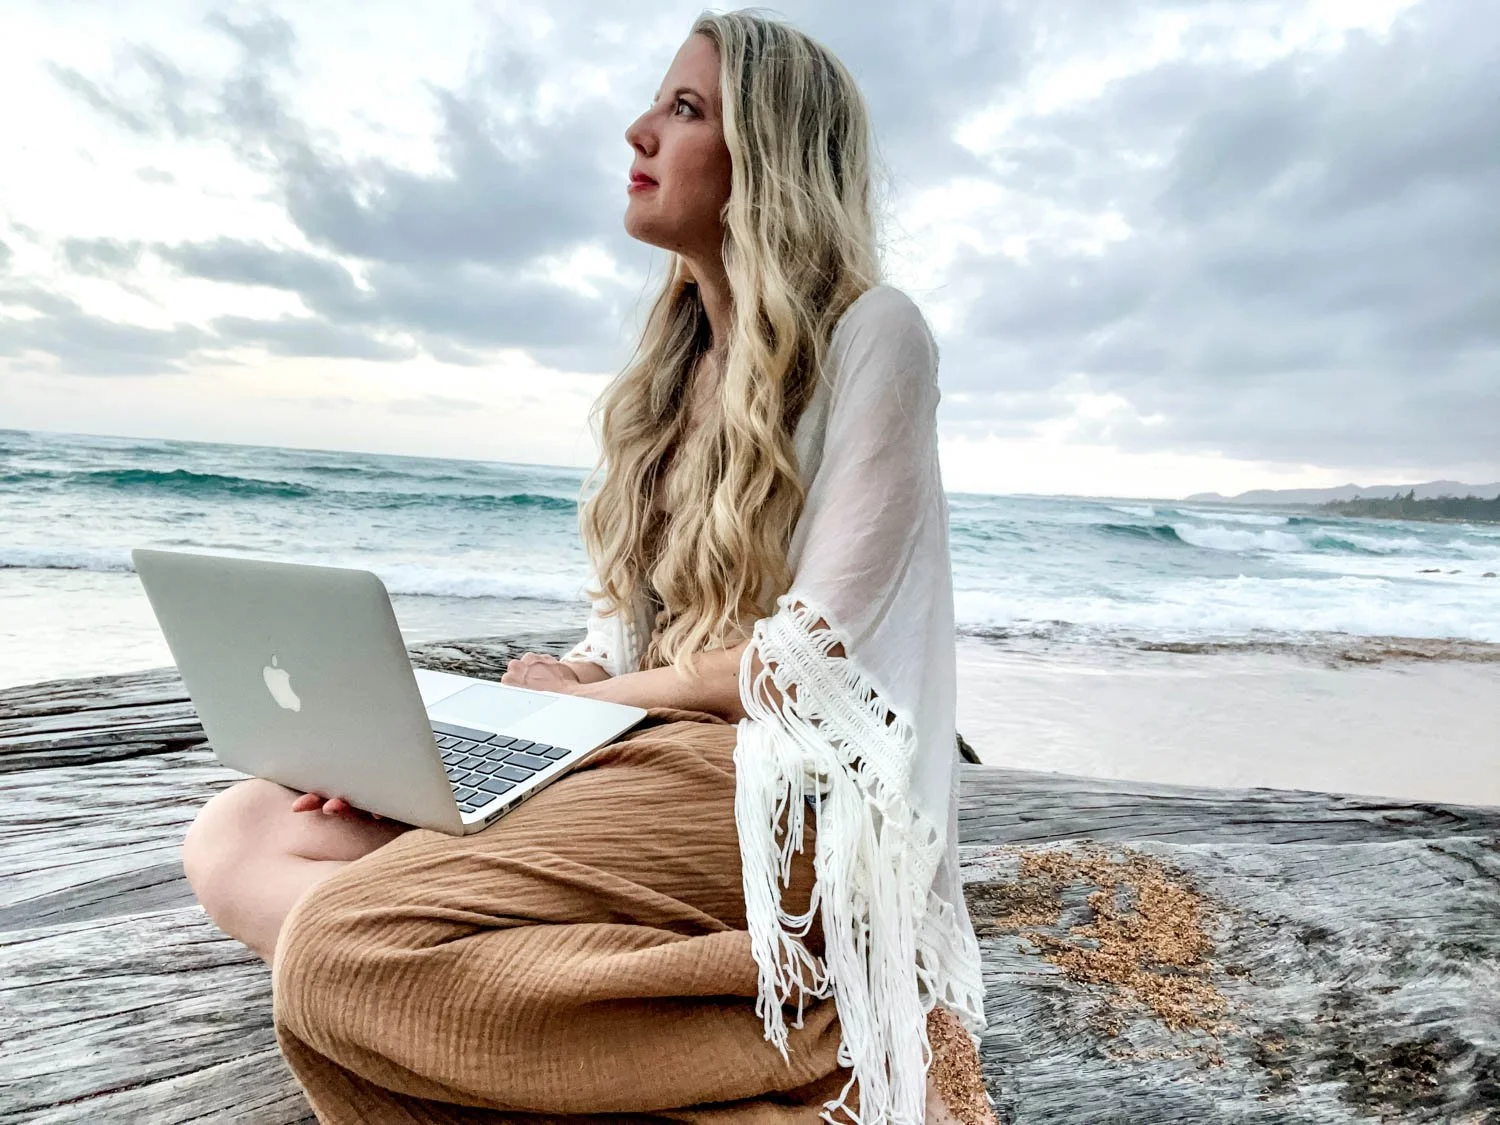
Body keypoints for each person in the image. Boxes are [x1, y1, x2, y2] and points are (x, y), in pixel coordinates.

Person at [180, 10, 993, 1124]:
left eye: (686, 109)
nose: (639, 130)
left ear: (772, 156)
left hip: (781, 784)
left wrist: (601, 699)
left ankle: (799, 1041)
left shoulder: (874, 334)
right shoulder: (673, 373)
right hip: (638, 760)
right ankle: (574, 1023)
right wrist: (544, 693)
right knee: (235, 834)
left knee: (332, 950)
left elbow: (814, 661)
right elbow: (625, 638)